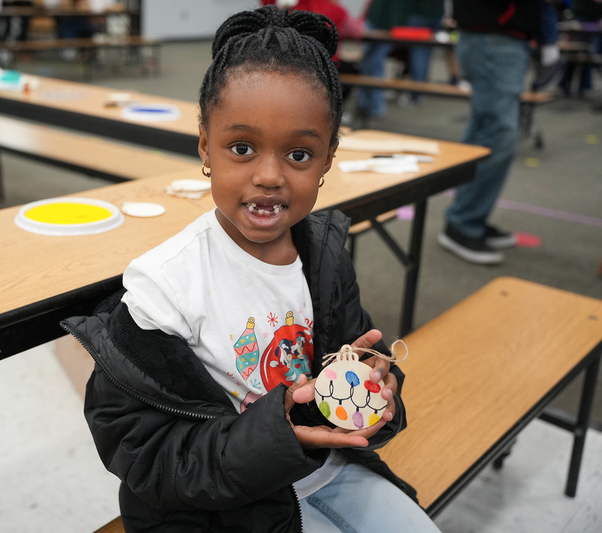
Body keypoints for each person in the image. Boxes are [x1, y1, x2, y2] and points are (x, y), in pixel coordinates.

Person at [64, 6, 441, 532]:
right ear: (205, 146)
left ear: (329, 157)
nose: (269, 175)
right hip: (218, 509)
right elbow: (141, 452)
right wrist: (279, 436)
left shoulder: (324, 257)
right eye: (242, 148)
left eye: (299, 154)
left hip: (328, 469)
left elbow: (357, 357)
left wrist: (379, 388)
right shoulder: (165, 286)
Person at [438, 0, 539, 264]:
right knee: (499, 132)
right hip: (494, 35)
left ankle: (469, 218)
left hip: (496, 34)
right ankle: (463, 223)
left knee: (484, 131)